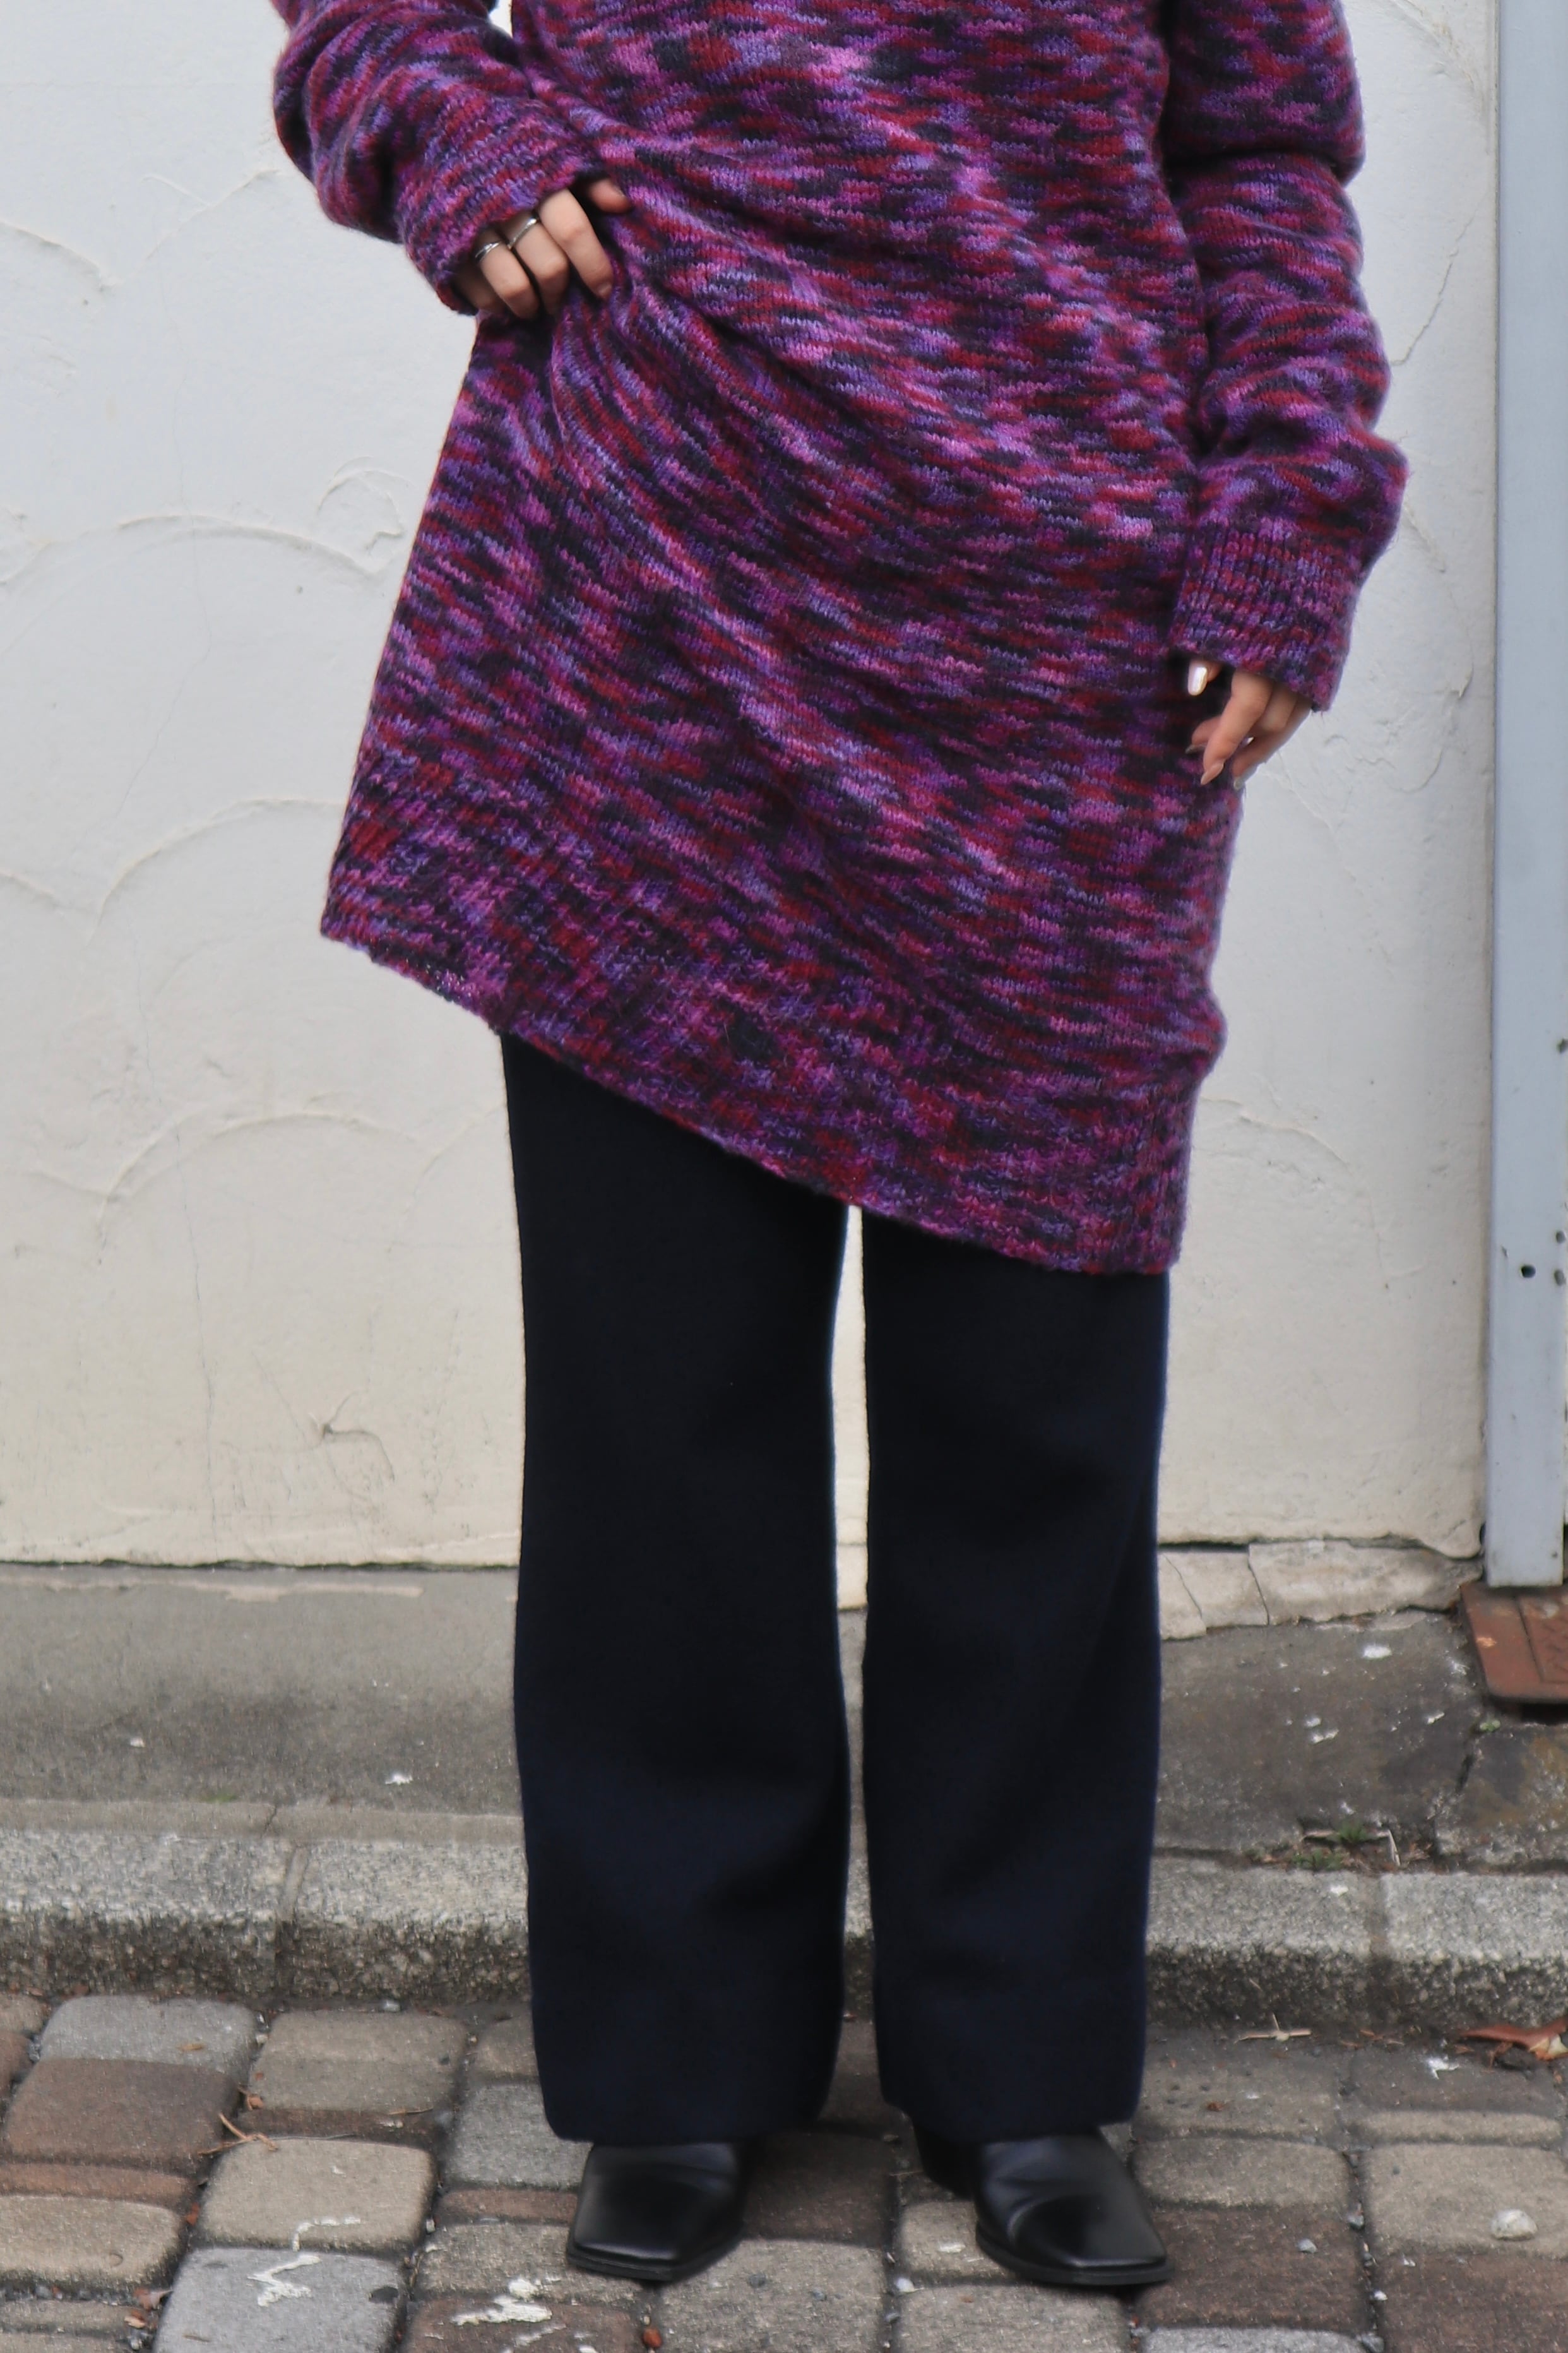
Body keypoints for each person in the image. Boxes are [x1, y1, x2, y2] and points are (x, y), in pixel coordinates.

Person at [271, 0, 1404, 2293]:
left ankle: (1024, 2065)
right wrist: (447, 115)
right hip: (647, 572)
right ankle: (673, 2056)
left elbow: (1261, 153)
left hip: (1062, 630)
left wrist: (1287, 504)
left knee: (1035, 1394)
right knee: (660, 1390)